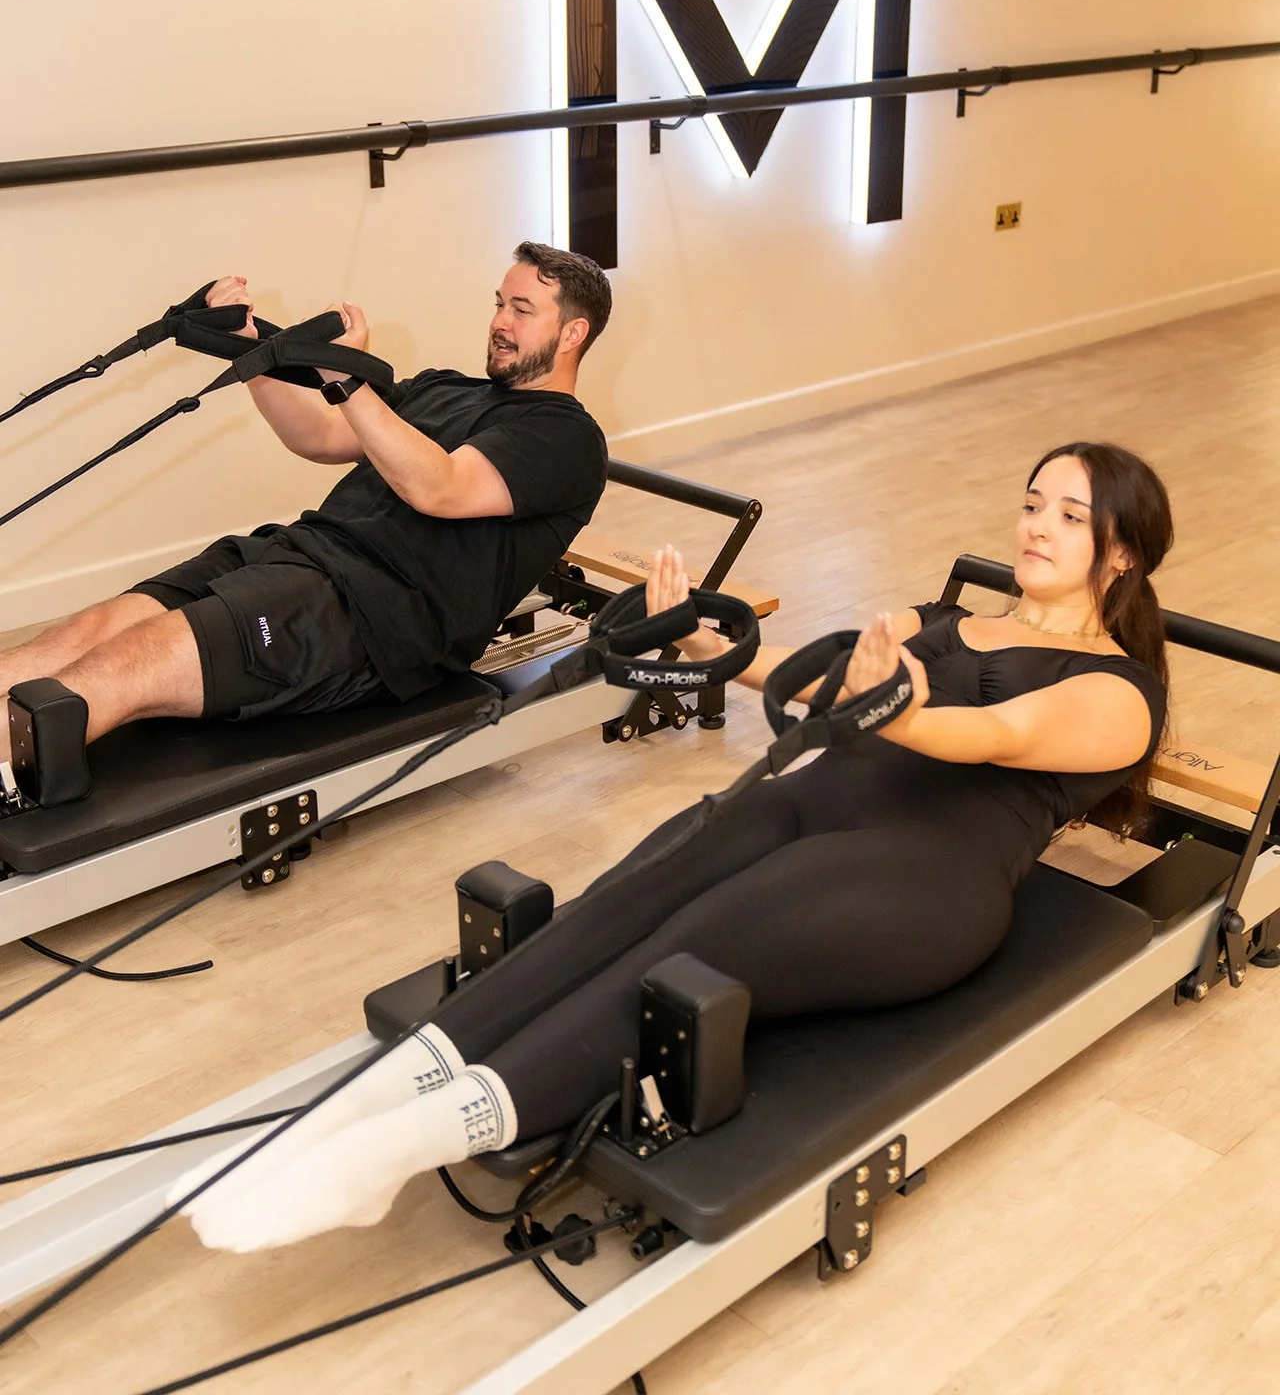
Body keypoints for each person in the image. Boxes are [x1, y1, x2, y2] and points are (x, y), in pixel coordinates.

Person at [177, 440, 1172, 1254]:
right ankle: (373, 1096)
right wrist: (699, 639)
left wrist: (897, 702)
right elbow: (816, 671)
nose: (1036, 525)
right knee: (621, 900)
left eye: (1069, 514)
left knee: (697, 939)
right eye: (1032, 501)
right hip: (808, 802)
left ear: (1121, 551)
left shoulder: (1118, 694)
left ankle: (398, 1149)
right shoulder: (945, 618)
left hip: (923, 879)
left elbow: (986, 737)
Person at [0, 241, 610, 761]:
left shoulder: (567, 438)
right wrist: (247, 350)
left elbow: (439, 486)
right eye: (500, 303)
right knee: (91, 630)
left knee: (132, 660)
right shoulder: (444, 388)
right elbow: (319, 437)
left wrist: (343, 373)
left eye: (522, 309)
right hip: (296, 554)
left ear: (572, 332)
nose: (501, 321)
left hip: (370, 616)